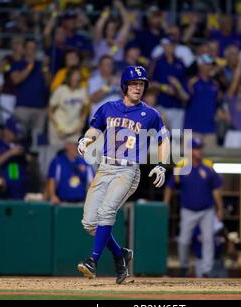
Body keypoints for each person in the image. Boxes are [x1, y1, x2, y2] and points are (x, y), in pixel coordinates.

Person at [76, 65, 169, 284]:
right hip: (105, 168)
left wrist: (162, 164)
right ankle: (120, 256)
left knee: (106, 211)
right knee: (89, 223)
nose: (138, 88)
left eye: (141, 84)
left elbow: (163, 139)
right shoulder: (108, 107)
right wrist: (85, 139)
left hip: (128, 170)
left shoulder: (151, 114)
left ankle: (93, 261)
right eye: (134, 84)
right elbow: (94, 129)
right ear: (124, 86)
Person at [164, 138, 224, 278]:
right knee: (183, 240)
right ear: (189, 151)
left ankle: (206, 270)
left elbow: (216, 189)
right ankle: (184, 266)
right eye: (196, 148)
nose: (199, 151)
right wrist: (166, 204)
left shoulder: (208, 167)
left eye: (199, 148)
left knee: (208, 239)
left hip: (207, 210)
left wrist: (220, 208)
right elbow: (169, 187)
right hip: (188, 210)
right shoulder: (181, 167)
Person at [47, 138, 93, 204]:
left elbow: (92, 183)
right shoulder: (58, 162)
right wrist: (52, 196)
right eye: (73, 145)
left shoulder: (85, 163)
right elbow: (51, 180)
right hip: (62, 202)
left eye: (77, 145)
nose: (75, 148)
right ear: (67, 146)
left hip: (81, 202)